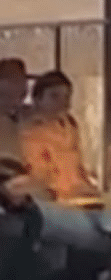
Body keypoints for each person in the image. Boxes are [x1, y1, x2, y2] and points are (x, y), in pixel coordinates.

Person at [18, 71, 99, 204]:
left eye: (66, 97)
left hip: (80, 194)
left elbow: (78, 165)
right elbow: (38, 175)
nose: (63, 102)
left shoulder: (69, 125)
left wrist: (89, 187)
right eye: (54, 96)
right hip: (51, 200)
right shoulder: (29, 131)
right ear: (37, 99)